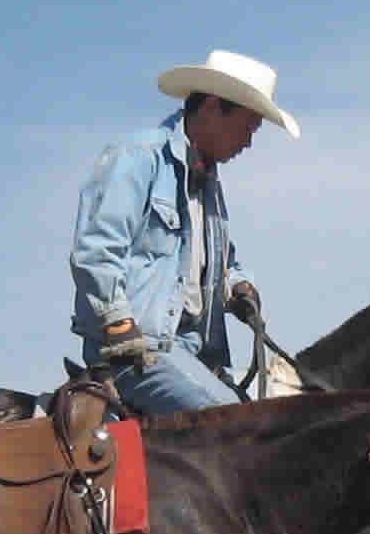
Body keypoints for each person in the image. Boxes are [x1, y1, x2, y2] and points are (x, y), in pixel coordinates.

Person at [70, 49, 299, 414]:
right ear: (211, 108)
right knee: (234, 422)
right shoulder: (138, 157)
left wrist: (237, 285)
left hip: (193, 354)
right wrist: (118, 322)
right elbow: (97, 250)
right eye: (247, 127)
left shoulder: (208, 184)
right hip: (137, 353)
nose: (249, 142)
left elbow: (218, 263)